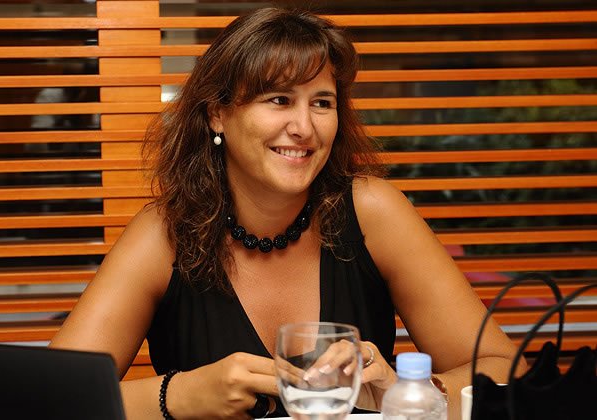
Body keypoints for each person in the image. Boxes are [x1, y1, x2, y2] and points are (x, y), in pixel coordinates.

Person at [49, 7, 525, 419]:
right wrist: (175, 396)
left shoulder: (373, 211)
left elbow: (509, 371)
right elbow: (46, 400)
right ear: (217, 114)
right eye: (279, 100)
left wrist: (405, 392)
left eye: (322, 103)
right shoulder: (163, 233)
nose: (304, 127)